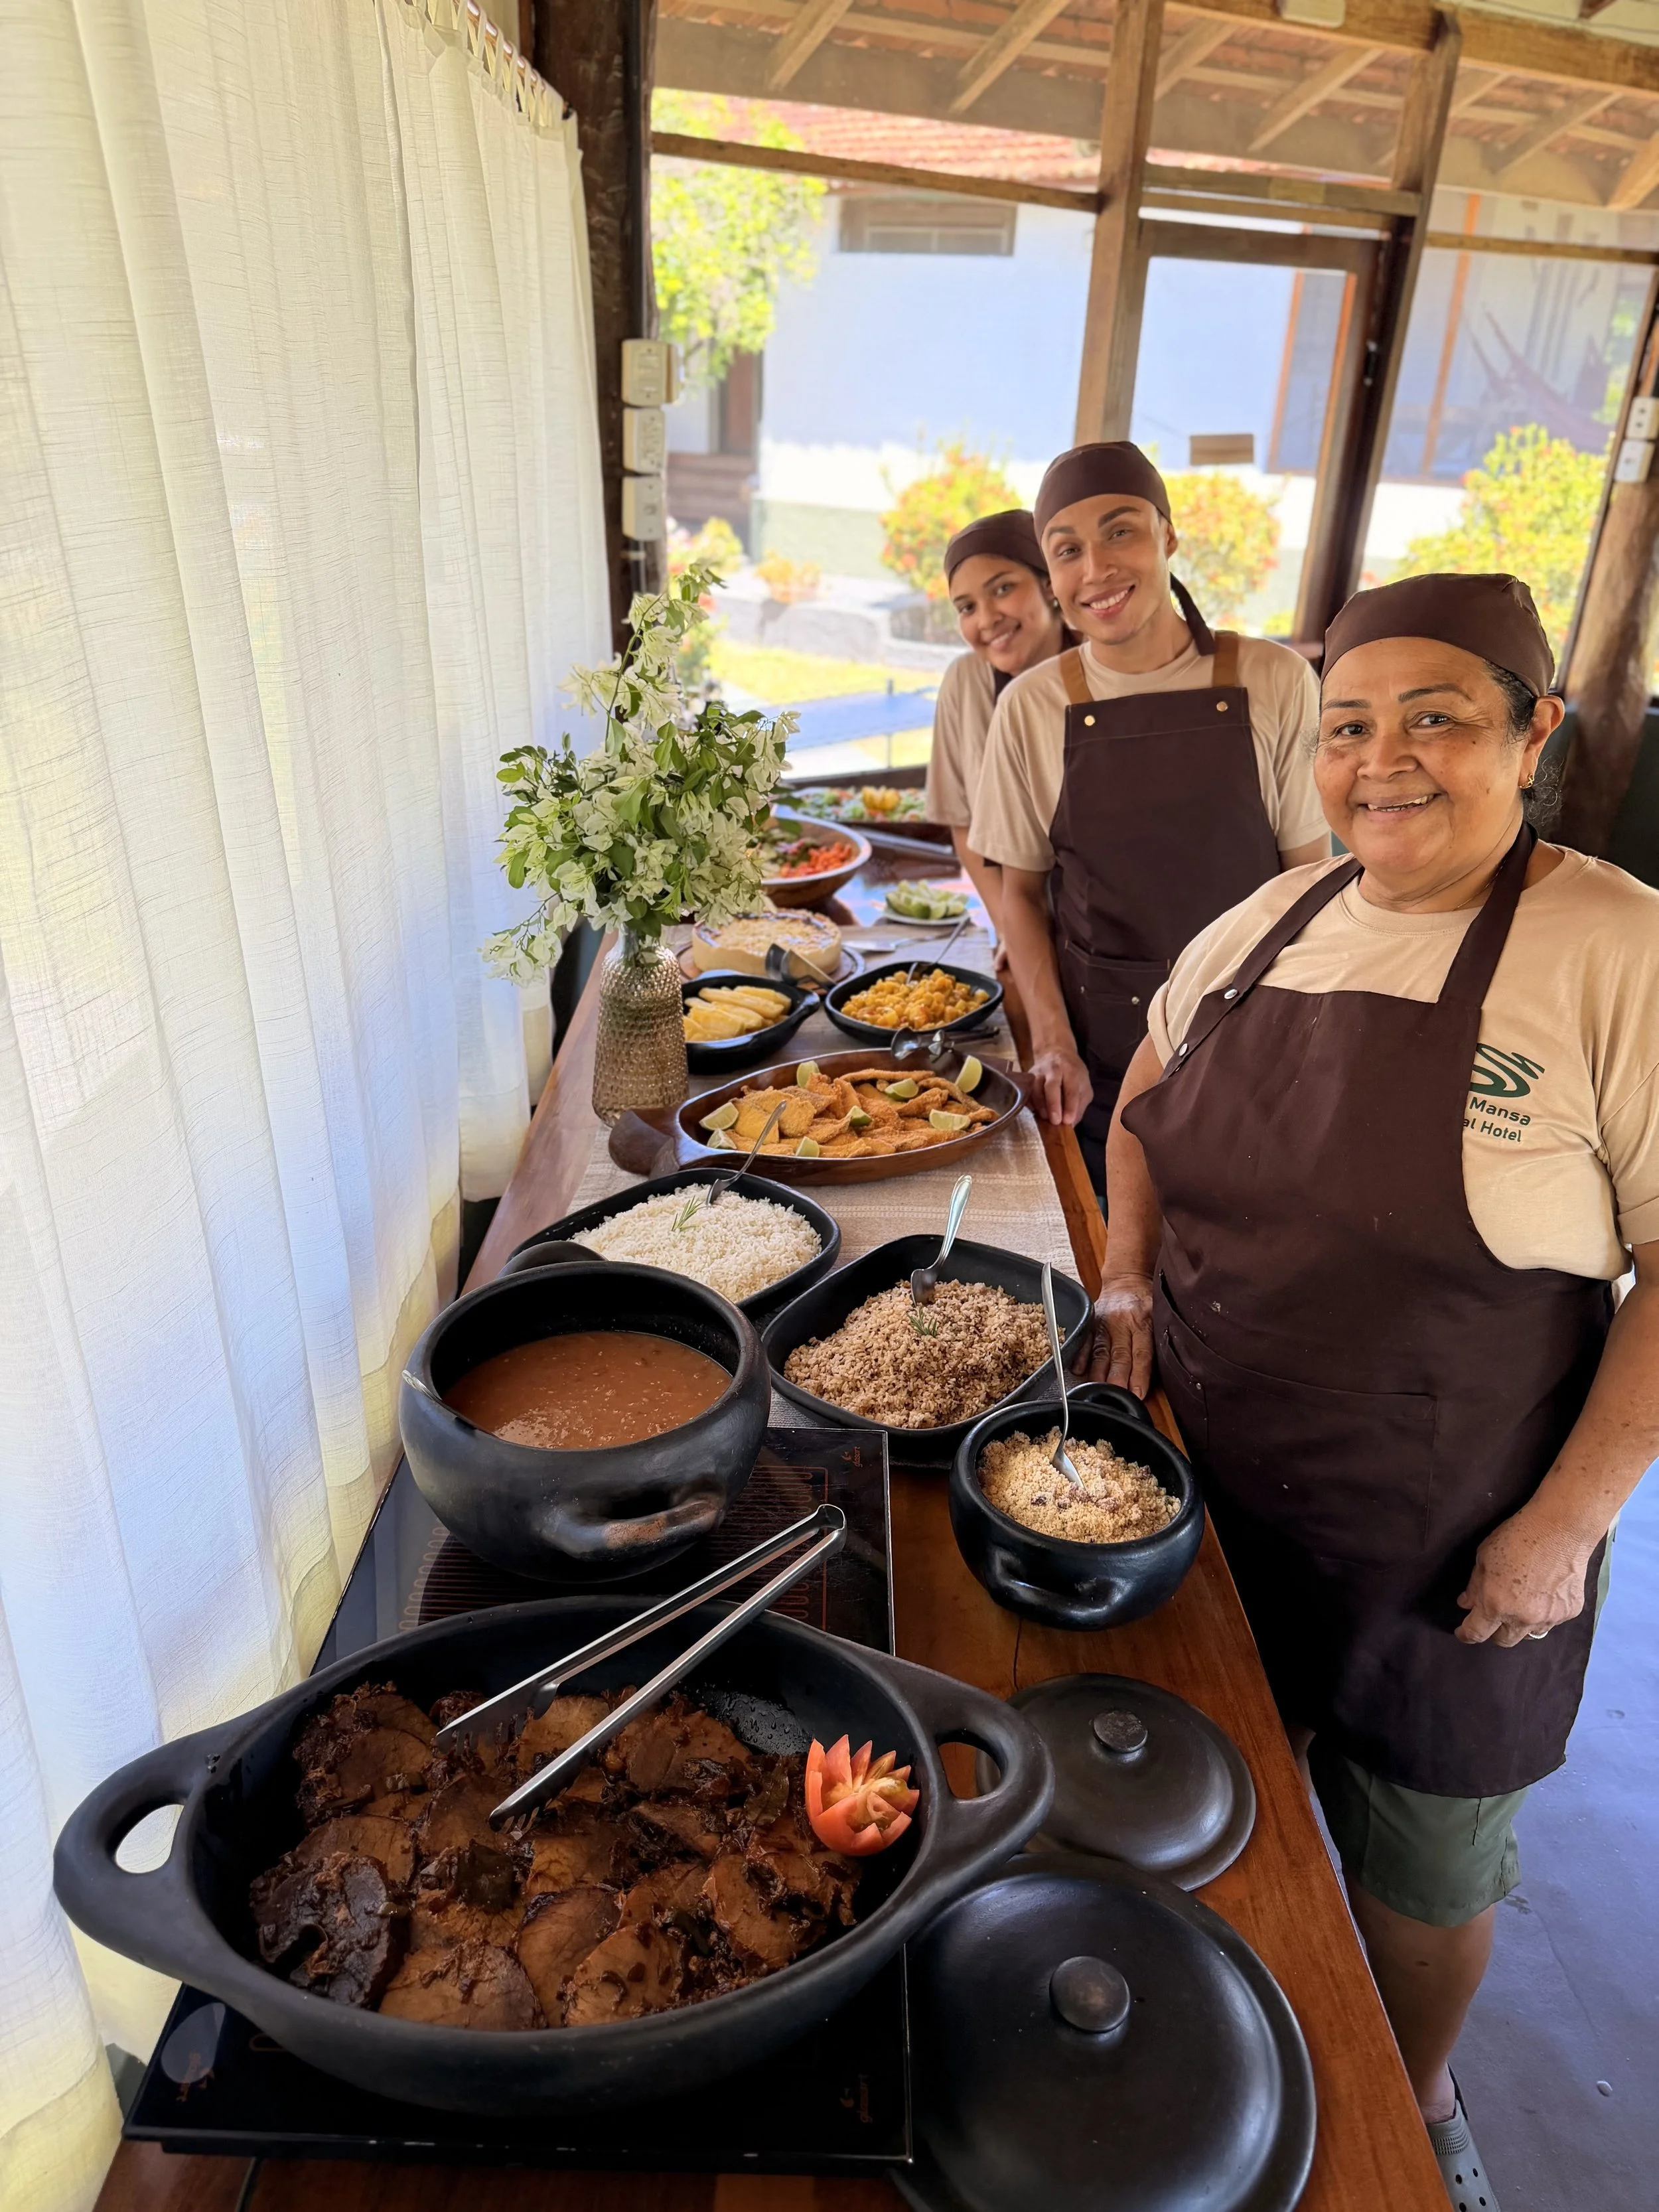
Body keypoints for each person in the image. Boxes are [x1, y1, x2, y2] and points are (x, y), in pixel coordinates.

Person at [1090, 571, 1659, 2204]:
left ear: (1533, 732)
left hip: (1448, 1525)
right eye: (1349, 726)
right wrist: (1124, 1281)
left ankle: (1413, 2113)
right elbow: (1139, 1100)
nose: (1382, 762)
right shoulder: (1271, 922)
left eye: (1437, 720)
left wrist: (1567, 1523)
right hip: (1205, 1490)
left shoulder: (1610, 947)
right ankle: (1218, 2047)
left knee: (1422, 1862)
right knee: (1214, 1799)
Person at [970, 441, 1329, 1188]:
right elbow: (1021, 897)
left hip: (1249, 1046)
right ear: (1051, 574)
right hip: (1100, 1060)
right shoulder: (1031, 706)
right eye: (1067, 550)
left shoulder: (1274, 679)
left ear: (1168, 535)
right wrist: (1052, 1043)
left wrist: (1306, 1046)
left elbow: (1311, 886)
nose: (1095, 569)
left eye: (1121, 531)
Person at [924, 510, 1070, 960]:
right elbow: (964, 822)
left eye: (1003, 589)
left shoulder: (1108, 670)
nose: (986, 619)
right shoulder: (964, 682)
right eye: (967, 607)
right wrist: (1015, 932)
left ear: (1049, 584)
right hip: (1020, 922)